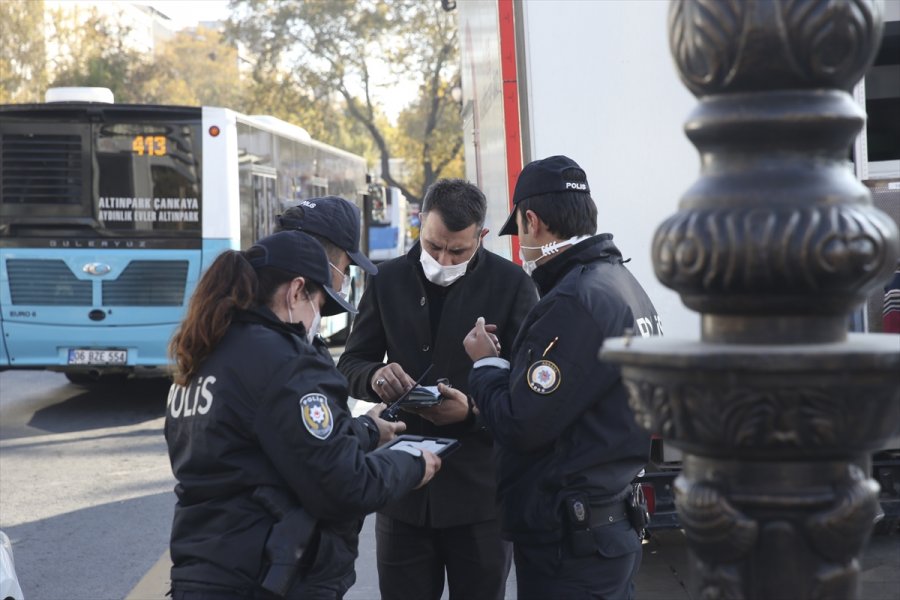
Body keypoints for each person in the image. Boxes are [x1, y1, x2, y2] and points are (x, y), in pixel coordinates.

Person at [165, 230, 441, 600]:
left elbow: (268, 446)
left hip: (203, 570)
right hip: (264, 577)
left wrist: (366, 430)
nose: (318, 319)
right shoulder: (284, 362)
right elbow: (345, 485)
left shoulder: (206, 353)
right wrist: (412, 465)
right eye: (321, 305)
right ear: (296, 291)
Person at [462, 155, 661, 600]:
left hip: (572, 545)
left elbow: (521, 423)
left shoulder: (573, 300)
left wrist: (485, 366)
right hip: (606, 523)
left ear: (531, 220)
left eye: (519, 231)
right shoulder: (622, 283)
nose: (521, 247)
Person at [337, 179, 538, 600]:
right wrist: (375, 377)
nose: (443, 259)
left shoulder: (513, 284)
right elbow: (351, 365)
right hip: (403, 494)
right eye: (432, 246)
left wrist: (472, 414)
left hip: (480, 498)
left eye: (457, 251)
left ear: (481, 237)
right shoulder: (387, 278)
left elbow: (528, 395)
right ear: (420, 228)